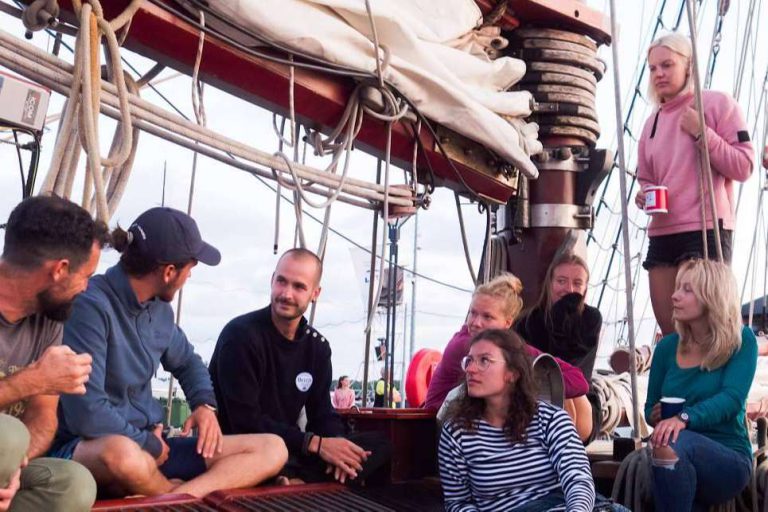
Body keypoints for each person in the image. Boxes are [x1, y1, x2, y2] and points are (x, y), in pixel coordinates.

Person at [50, 207, 288, 498]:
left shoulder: (160, 312)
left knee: (273, 448)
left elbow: (189, 363)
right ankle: (180, 495)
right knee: (124, 455)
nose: (190, 276)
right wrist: (147, 443)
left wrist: (204, 405)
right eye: (190, 268)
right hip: (95, 450)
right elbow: (87, 414)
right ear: (169, 272)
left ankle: (177, 497)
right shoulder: (90, 307)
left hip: (152, 446)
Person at [210, 248, 391, 484]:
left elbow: (322, 414)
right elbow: (245, 422)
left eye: (299, 287)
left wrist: (338, 446)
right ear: (272, 280)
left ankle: (295, 480)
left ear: (315, 293)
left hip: (293, 448)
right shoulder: (240, 337)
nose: (286, 294)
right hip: (245, 449)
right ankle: (292, 479)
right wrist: (314, 444)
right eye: (281, 281)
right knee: (274, 454)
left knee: (380, 445)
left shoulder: (317, 348)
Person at [635, 32, 754, 335]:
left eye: (667, 65)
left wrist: (702, 133)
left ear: (689, 65)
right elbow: (646, 177)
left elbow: (744, 165)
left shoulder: (716, 105)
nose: (659, 74)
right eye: (653, 68)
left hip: (705, 228)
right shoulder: (651, 124)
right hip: (663, 231)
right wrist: (644, 194)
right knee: (670, 332)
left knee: (706, 332)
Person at [438, 329, 627, 512]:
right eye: (469, 361)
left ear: (512, 373)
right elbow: (458, 502)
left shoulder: (550, 420)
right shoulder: (456, 433)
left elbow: (577, 479)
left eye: (484, 361)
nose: (470, 369)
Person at [0, 196, 104, 511]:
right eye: (86, 276)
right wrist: (32, 380)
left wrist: (14, 469)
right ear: (60, 269)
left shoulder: (49, 320)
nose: (86, 288)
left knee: (74, 484)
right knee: (7, 434)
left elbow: (44, 417)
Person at [644, 259, 757, 511]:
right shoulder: (666, 348)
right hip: (675, 452)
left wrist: (683, 418)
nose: (674, 296)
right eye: (677, 288)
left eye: (687, 290)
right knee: (668, 449)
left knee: (668, 446)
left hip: (728, 457)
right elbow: (649, 408)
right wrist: (656, 415)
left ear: (712, 297)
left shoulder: (741, 341)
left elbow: (731, 399)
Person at [424, 273, 592, 440]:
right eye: (472, 313)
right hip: (440, 430)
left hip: (477, 425)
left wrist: (531, 379)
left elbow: (578, 381)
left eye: (487, 317)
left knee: (572, 399)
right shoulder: (465, 346)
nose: (476, 323)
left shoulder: (506, 348)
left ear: (507, 323)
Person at [516, 252, 602, 381]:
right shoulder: (528, 321)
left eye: (577, 283)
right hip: (536, 387)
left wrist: (562, 315)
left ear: (585, 288)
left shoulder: (591, 318)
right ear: (550, 283)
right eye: (561, 281)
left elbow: (575, 367)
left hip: (576, 387)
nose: (569, 289)